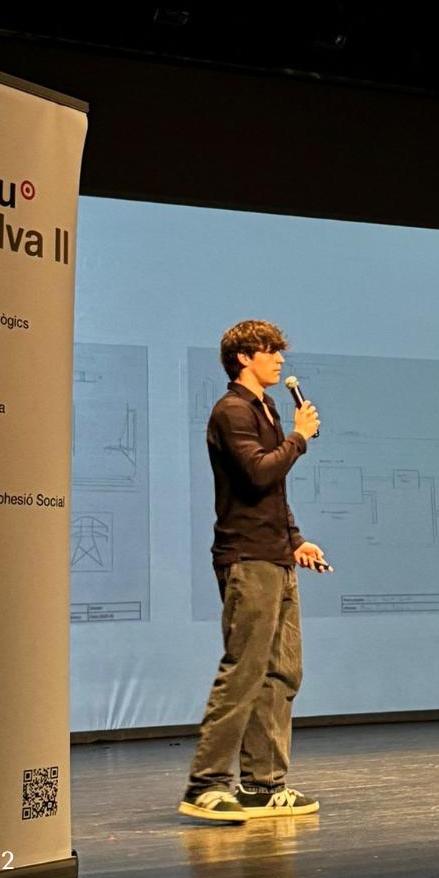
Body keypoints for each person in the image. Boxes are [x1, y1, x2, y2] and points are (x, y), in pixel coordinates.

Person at [178, 319, 329, 823]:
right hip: (246, 557)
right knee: (244, 671)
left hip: (276, 554)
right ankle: (206, 785)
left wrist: (296, 540)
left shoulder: (266, 407)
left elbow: (273, 493)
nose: (280, 359)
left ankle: (263, 786)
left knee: (283, 671)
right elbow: (259, 472)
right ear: (244, 357)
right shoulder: (232, 410)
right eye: (270, 350)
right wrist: (299, 437)